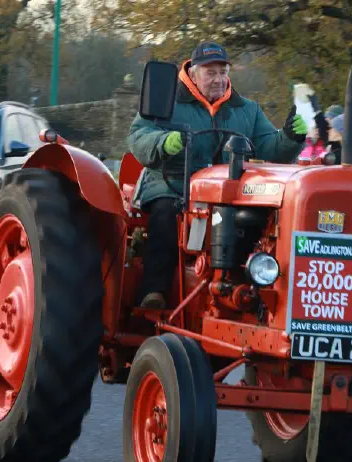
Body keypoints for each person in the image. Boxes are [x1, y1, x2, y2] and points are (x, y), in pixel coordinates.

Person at [128, 41, 307, 309]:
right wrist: (164, 142)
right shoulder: (167, 102)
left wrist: (291, 137)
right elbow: (139, 136)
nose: (219, 80)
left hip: (229, 192)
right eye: (210, 73)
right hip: (173, 184)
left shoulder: (247, 110)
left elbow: (270, 147)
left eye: (223, 72)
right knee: (166, 216)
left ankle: (252, 290)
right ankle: (154, 292)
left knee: (259, 221)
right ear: (192, 73)